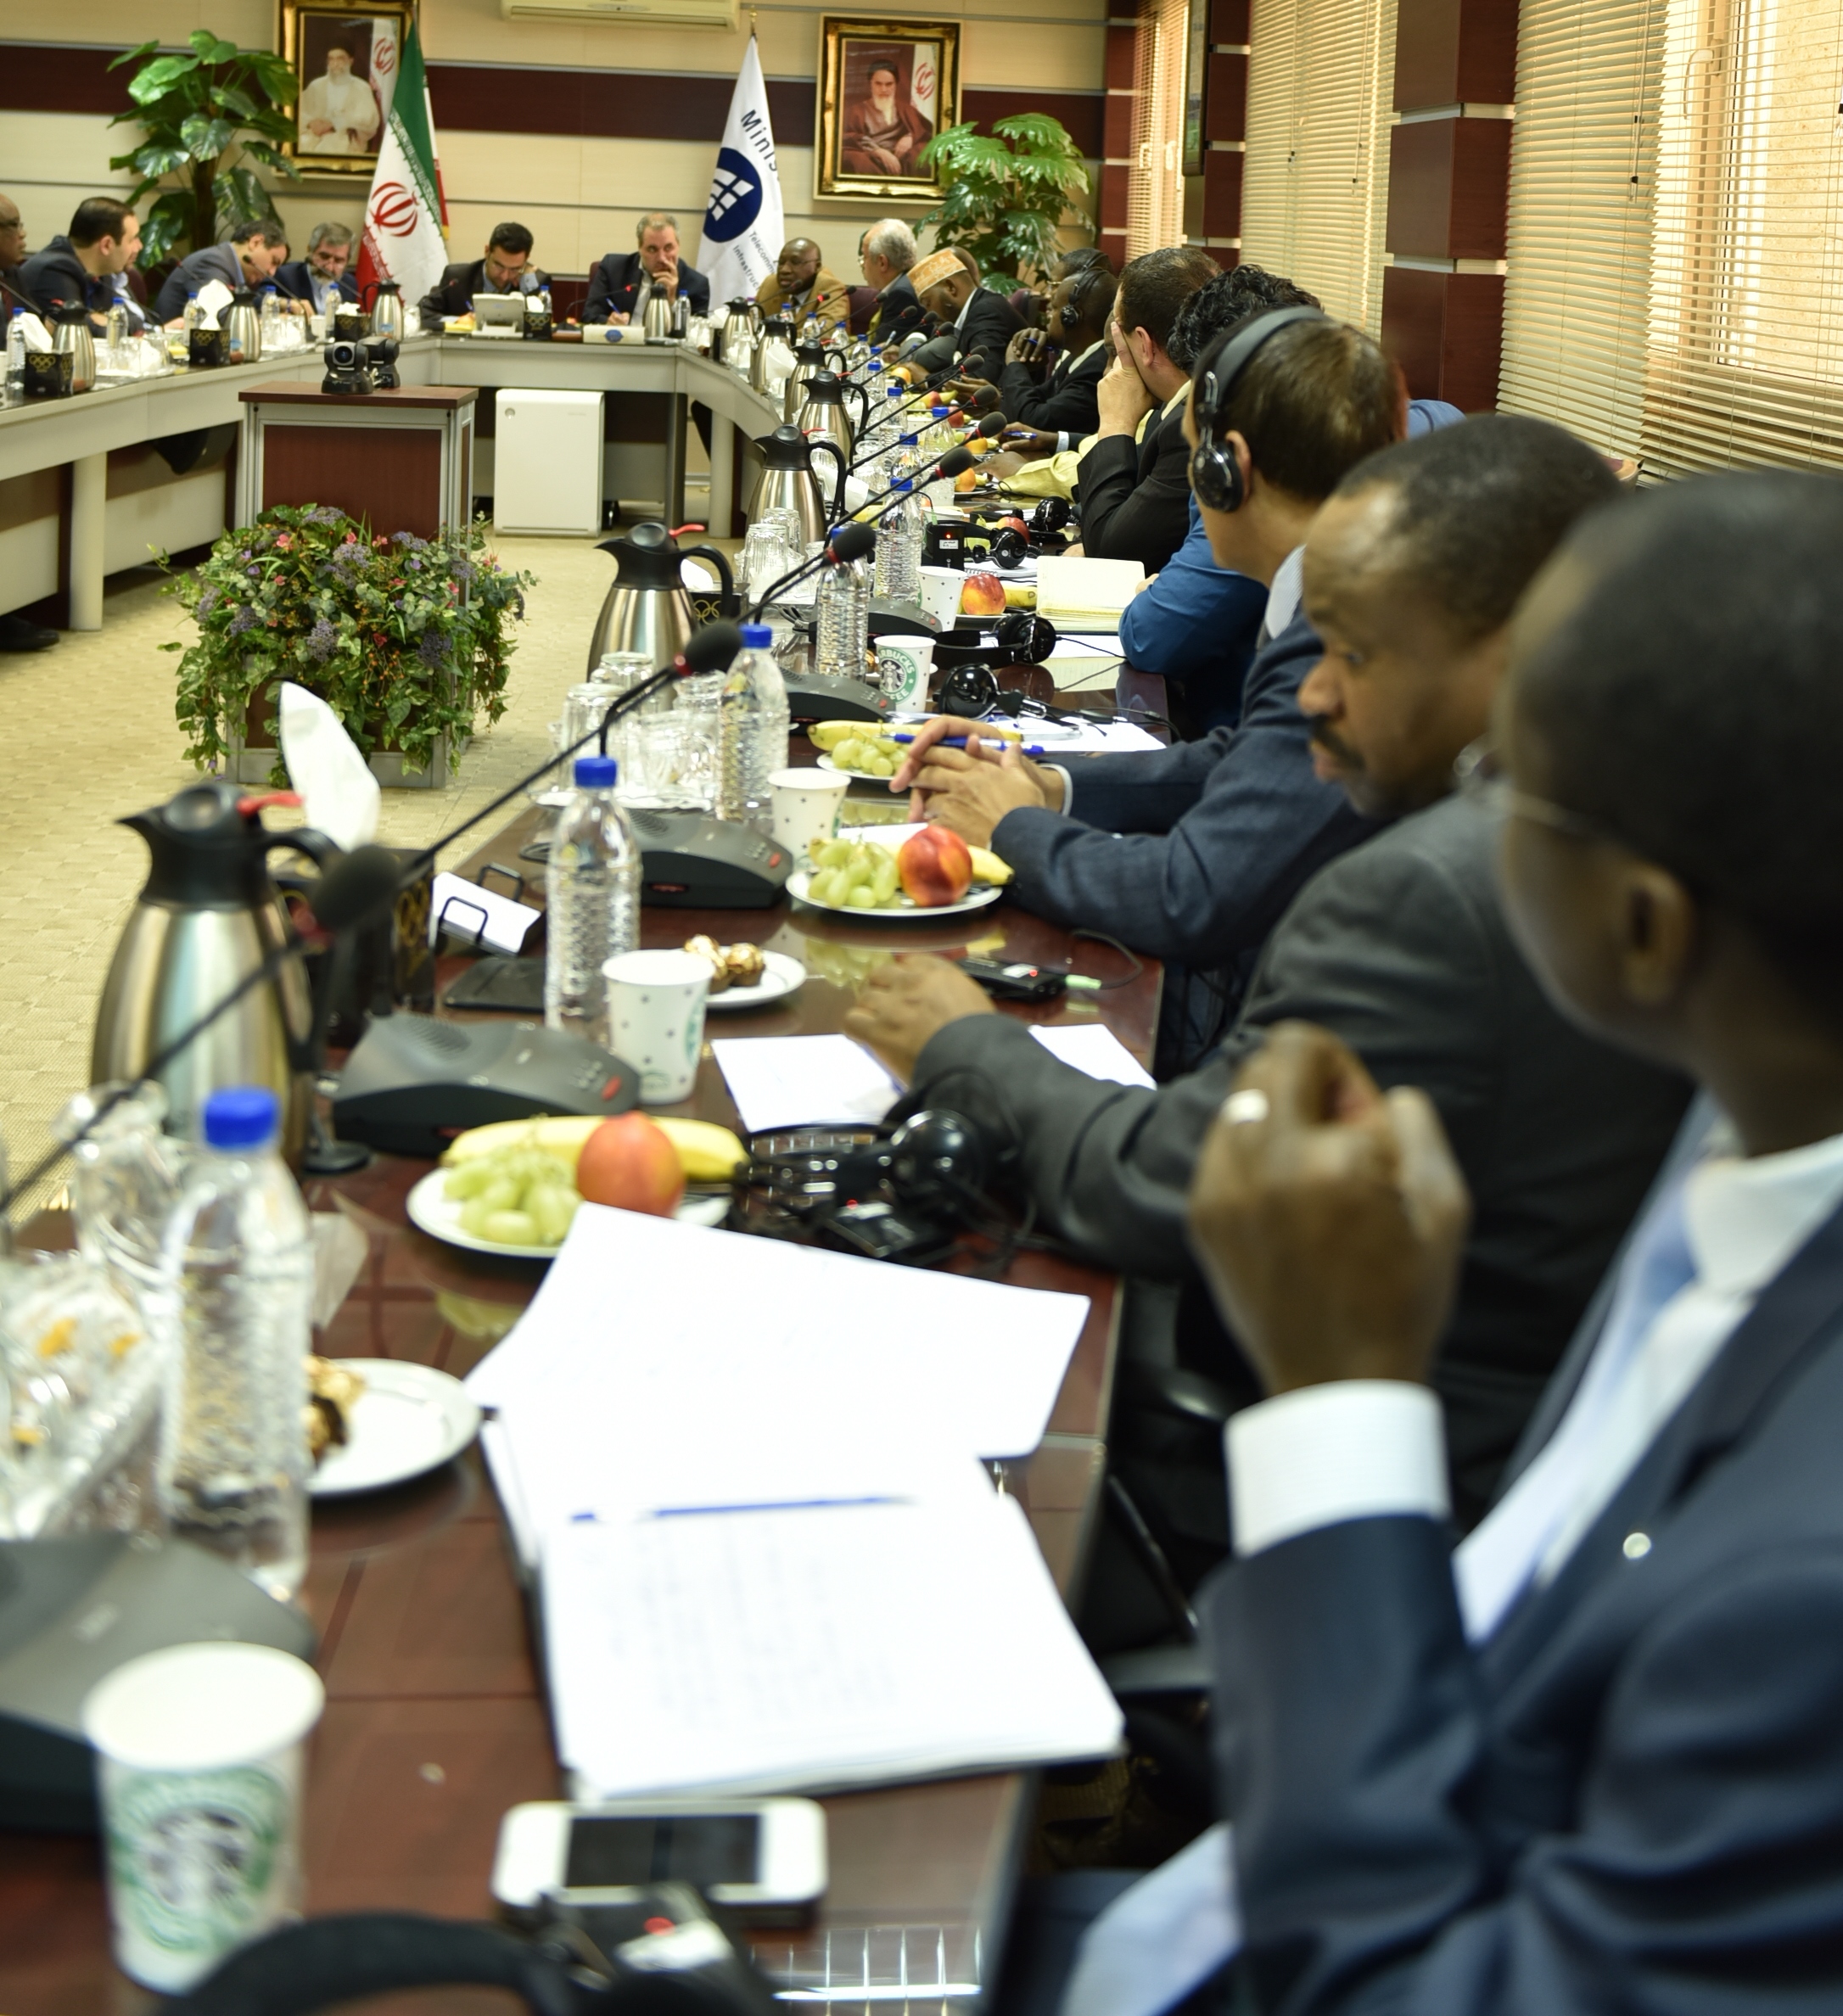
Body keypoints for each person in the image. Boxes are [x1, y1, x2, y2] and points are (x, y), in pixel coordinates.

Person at [1159, 468, 1843, 2014]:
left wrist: (1340, 1404)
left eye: (1504, 779)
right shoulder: (1747, 1123)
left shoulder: (1806, 1598)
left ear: (1645, 929)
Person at [849, 415, 1693, 1545]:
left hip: (1354, 1474)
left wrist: (966, 1044)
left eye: (1355, 656)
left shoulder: (1429, 893)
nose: (1311, 697)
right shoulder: (1633, 829)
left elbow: (1169, 1185)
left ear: (1506, 652)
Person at [896, 311, 1395, 1039]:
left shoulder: (1344, 637)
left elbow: (1190, 893)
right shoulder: (1333, 590)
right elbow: (1247, 759)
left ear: (1227, 472)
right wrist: (1047, 782)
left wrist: (1013, 827)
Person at [1074, 246, 1219, 572]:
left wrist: (1115, 424)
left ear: (1143, 343)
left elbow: (1112, 556)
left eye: (1118, 336)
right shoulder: (1171, 408)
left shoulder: (1192, 425)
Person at [961, 265, 1115, 443]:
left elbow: (1032, 421)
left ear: (1071, 318)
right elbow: (1038, 401)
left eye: (1054, 307)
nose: (1047, 314)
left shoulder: (1097, 369)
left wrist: (1015, 364)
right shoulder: (1077, 359)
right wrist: (999, 399)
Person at [20, 198, 145, 332]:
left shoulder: (102, 271)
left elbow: (133, 320)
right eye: (132, 240)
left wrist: (100, 320)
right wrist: (101, 320)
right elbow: (80, 329)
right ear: (106, 245)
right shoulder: (53, 270)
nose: (140, 246)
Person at [905, 244, 1023, 381]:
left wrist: (927, 379)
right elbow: (963, 367)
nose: (928, 313)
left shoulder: (986, 312)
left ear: (950, 287)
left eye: (928, 303)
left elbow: (978, 377)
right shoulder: (975, 309)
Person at [584, 212, 710, 326]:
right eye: (652, 249)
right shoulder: (613, 269)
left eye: (668, 248)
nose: (661, 258)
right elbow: (589, 317)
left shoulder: (697, 285)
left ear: (678, 245)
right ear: (640, 248)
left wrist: (672, 302)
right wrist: (608, 323)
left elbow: (696, 336)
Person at [417, 223, 549, 332]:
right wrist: (458, 321)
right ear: (487, 252)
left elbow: (540, 327)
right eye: (499, 266)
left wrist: (528, 284)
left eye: (514, 269)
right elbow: (421, 314)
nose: (504, 276)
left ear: (526, 259)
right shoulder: (458, 277)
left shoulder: (536, 281)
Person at [153, 218, 285, 324]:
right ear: (256, 242)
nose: (272, 272)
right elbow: (221, 316)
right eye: (274, 262)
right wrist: (272, 322)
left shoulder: (232, 266)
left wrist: (282, 305)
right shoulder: (212, 262)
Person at [842, 60, 933, 177]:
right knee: (854, 158)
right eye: (878, 84)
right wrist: (878, 151)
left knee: (922, 151)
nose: (883, 89)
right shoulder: (855, 111)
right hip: (871, 157)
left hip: (902, 158)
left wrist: (910, 137)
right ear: (870, 84)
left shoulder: (906, 109)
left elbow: (925, 131)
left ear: (895, 85)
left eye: (889, 84)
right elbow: (847, 136)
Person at [297, 40, 380, 156]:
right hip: (314, 136)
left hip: (344, 138)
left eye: (340, 59)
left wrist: (333, 124)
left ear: (350, 61)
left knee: (330, 148)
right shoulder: (316, 86)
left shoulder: (361, 88)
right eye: (331, 59)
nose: (335, 64)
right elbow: (299, 111)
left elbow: (367, 120)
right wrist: (311, 123)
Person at [754, 237, 848, 331]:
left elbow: (826, 331)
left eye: (795, 263)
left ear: (817, 266)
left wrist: (778, 336)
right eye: (781, 262)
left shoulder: (830, 287)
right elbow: (750, 324)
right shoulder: (770, 284)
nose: (784, 270)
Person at [860, 217, 927, 345]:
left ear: (882, 263)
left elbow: (878, 351)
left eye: (864, 257)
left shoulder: (902, 295)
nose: (862, 264)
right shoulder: (910, 281)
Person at [272, 221, 358, 315]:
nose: (329, 268)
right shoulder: (286, 276)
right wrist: (288, 304)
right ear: (310, 251)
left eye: (338, 261)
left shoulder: (349, 284)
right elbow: (261, 299)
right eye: (324, 257)